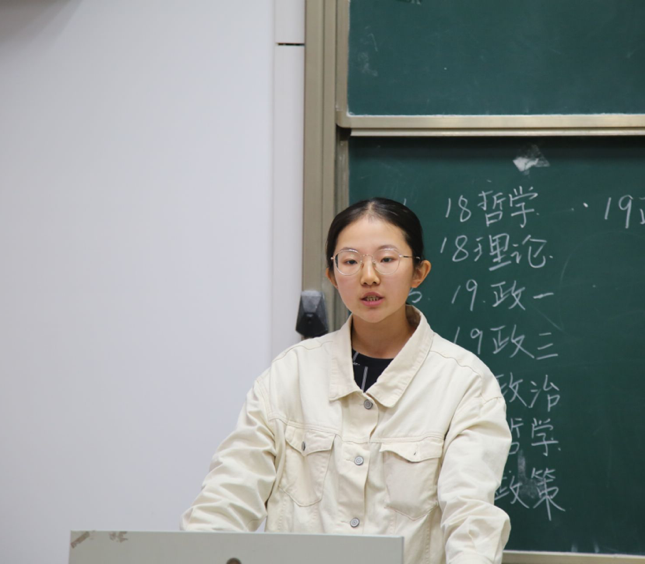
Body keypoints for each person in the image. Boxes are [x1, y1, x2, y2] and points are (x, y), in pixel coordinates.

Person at [181, 198, 512, 564]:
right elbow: (228, 496)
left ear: (419, 272)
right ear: (332, 275)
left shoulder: (464, 383)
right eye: (351, 261)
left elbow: (471, 523)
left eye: (387, 259)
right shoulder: (290, 373)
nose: (369, 276)